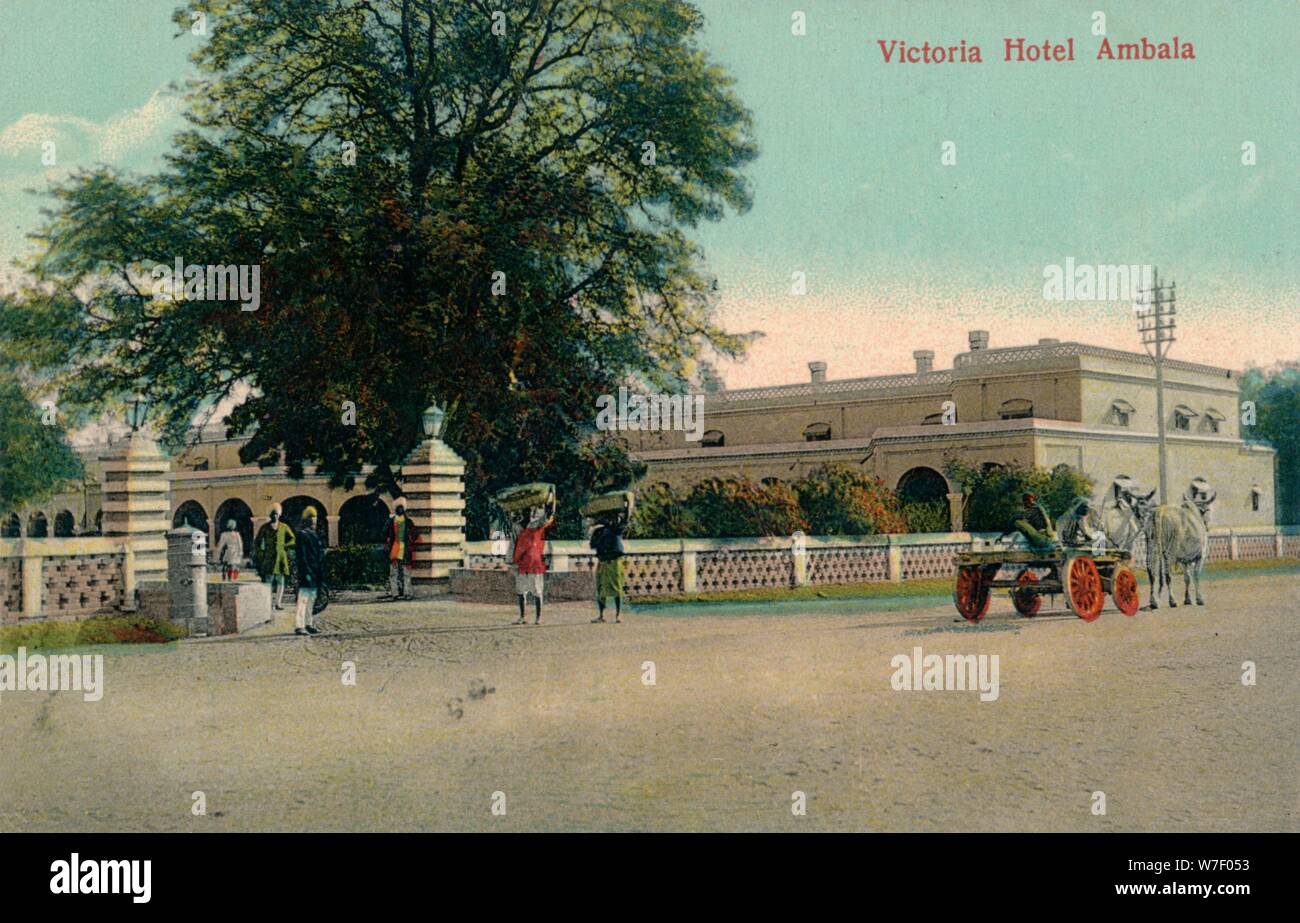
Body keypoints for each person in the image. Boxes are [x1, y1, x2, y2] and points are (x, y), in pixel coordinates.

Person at [510, 496, 556, 625]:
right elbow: (513, 543)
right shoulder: (517, 526)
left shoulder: (537, 524)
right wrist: (511, 561)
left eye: (530, 511)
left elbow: (548, 517)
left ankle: (538, 617)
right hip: (521, 562)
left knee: (537, 591)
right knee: (520, 591)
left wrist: (550, 505)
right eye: (526, 511)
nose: (528, 513)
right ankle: (522, 617)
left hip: (534, 562)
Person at [253, 504, 296, 610]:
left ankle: (278, 603)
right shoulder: (265, 527)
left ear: (279, 515)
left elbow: (293, 539)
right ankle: (268, 603)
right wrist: (261, 553)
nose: (274, 516)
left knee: (281, 580)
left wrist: (285, 546)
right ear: (270, 515)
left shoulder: (284, 527)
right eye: (272, 514)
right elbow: (257, 541)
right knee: (269, 581)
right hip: (269, 558)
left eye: (276, 514)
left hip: (281, 558)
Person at [589, 510, 628, 623]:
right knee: (601, 589)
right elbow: (592, 545)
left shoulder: (616, 528)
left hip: (614, 561)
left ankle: (618, 614)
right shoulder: (598, 531)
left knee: (617, 587)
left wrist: (628, 508)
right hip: (602, 562)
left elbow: (625, 520)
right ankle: (601, 615)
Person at [294, 506, 325, 636]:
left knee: (311, 598)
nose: (314, 521)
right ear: (306, 521)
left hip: (315, 571)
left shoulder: (315, 535)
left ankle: (308, 623)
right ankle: (299, 626)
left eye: (315, 519)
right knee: (303, 599)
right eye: (311, 519)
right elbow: (302, 556)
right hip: (306, 571)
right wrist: (306, 572)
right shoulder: (302, 535)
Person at [383, 497, 417, 600]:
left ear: (404, 509)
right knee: (394, 571)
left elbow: (414, 534)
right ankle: (395, 593)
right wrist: (387, 541)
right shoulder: (390, 521)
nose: (400, 509)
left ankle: (407, 593)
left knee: (406, 572)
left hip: (405, 549)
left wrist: (411, 539)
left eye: (401, 507)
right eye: (398, 507)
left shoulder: (409, 522)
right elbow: (384, 532)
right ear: (395, 509)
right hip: (394, 548)